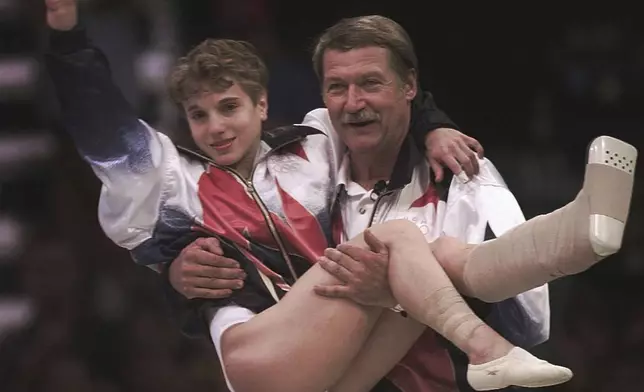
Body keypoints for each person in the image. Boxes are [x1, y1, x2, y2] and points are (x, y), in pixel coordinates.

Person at [45, 2, 637, 391]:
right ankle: (492, 341)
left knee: (426, 254)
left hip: (342, 362)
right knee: (406, 242)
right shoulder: (174, 180)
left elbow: (378, 102)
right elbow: (105, 132)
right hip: (259, 355)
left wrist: (431, 122)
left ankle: (581, 236)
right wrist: (68, 37)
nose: (216, 127)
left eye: (229, 108)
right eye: (198, 116)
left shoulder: (314, 145)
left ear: (262, 106)